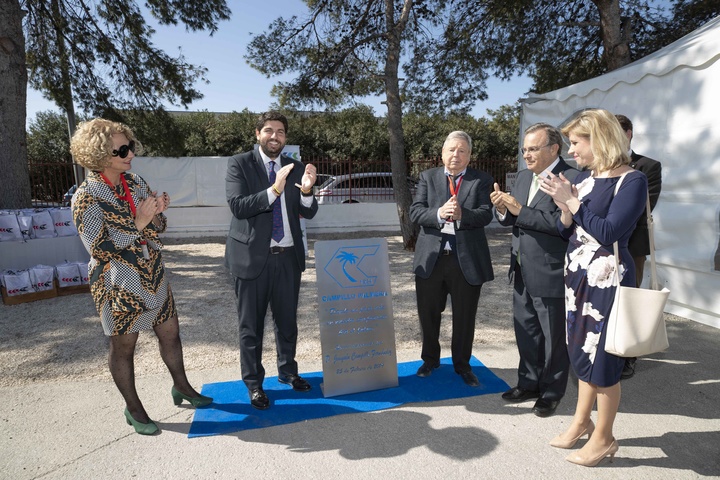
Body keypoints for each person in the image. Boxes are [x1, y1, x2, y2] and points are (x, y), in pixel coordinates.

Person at [70, 118, 211, 436]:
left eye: (129, 145)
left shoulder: (134, 182)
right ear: (99, 154)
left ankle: (183, 388)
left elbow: (158, 227)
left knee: (171, 333)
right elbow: (99, 247)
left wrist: (158, 212)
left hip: (152, 272)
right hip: (117, 282)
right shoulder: (85, 197)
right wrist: (139, 221)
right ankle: (134, 409)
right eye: (121, 148)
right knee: (124, 348)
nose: (129, 152)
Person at [539, 109, 647, 467]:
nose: (571, 151)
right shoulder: (585, 179)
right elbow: (570, 232)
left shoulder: (631, 180)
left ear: (598, 139)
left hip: (608, 283)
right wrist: (565, 211)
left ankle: (604, 437)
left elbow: (609, 232)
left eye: (575, 142)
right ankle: (581, 421)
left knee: (602, 362)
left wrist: (572, 203)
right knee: (580, 354)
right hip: (577, 280)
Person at [224, 111, 319, 410]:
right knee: (251, 326)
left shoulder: (297, 167)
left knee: (287, 322)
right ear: (257, 134)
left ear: (285, 137)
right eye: (268, 130)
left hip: (288, 257)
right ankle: (254, 384)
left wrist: (305, 191)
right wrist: (274, 188)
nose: (274, 136)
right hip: (253, 259)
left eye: (280, 131)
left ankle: (288, 372)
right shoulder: (239, 163)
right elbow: (238, 207)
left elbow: (309, 211)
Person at [490, 123, 578, 417]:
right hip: (520, 269)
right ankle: (528, 383)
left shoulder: (572, 178)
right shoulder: (525, 177)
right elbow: (512, 220)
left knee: (554, 338)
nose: (526, 154)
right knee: (526, 331)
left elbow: (560, 226)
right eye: (524, 149)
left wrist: (519, 210)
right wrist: (502, 208)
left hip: (551, 271)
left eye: (532, 149)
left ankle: (552, 391)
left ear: (553, 148)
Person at [409, 131, 494, 387]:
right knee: (428, 313)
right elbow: (415, 211)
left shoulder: (482, 180)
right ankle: (430, 359)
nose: (455, 155)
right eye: (451, 150)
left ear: (469, 156)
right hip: (432, 258)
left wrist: (461, 215)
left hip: (465, 259)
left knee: (465, 315)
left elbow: (485, 214)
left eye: (462, 151)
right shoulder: (428, 177)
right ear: (442, 152)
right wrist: (438, 213)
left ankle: (463, 365)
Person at [614, 114, 663, 380]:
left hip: (631, 248)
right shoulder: (594, 166)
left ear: (629, 133)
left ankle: (628, 356)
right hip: (598, 247)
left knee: (629, 301)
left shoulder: (648, 166)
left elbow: (642, 208)